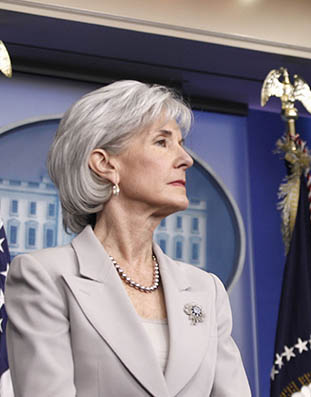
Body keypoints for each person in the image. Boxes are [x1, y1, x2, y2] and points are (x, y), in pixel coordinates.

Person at [5, 80, 251, 396]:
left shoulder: (207, 290)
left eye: (180, 142)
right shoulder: (43, 277)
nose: (186, 159)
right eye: (163, 142)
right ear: (105, 164)